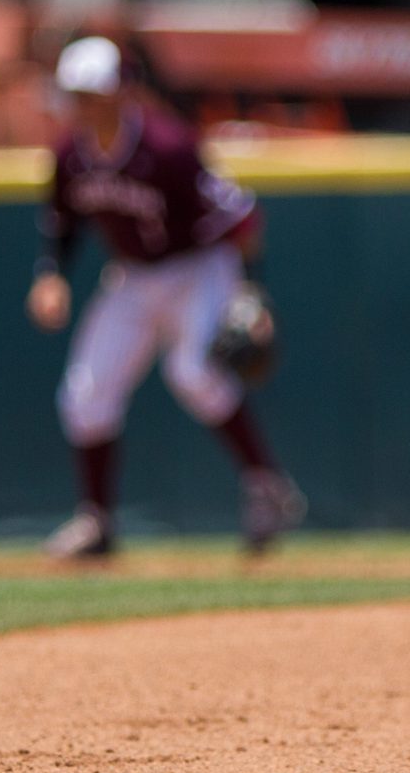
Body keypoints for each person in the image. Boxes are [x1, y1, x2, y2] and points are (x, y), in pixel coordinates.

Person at [30, 35, 306, 559]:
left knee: (194, 374)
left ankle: (267, 488)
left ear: (120, 93)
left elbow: (243, 219)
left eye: (91, 93)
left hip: (197, 268)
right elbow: (60, 220)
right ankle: (96, 523)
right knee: (86, 393)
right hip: (133, 276)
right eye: (75, 94)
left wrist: (250, 294)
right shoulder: (70, 154)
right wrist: (51, 274)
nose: (80, 105)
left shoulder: (169, 146)